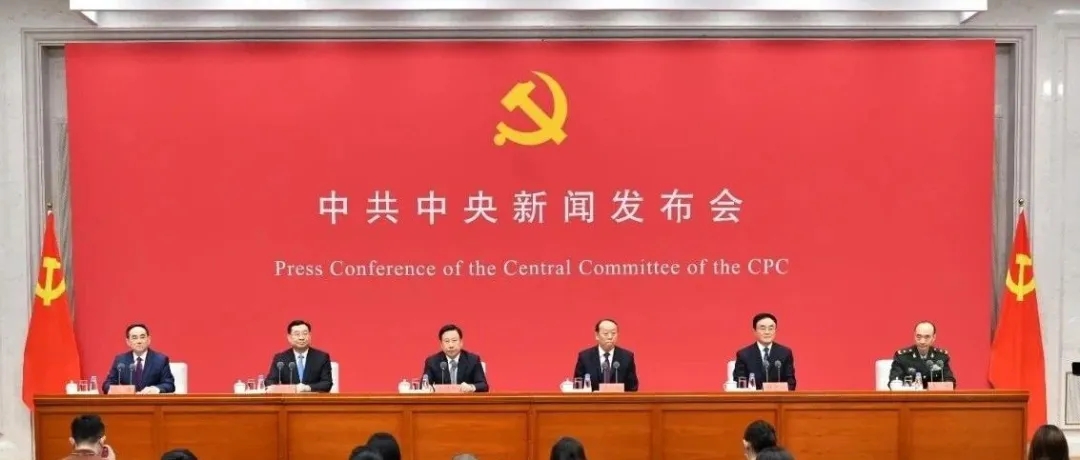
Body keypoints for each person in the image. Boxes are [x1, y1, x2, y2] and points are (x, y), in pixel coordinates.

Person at [102, 323, 176, 394]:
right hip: (128, 402)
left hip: (151, 401)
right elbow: (107, 384)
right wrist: (122, 390)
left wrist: (155, 389)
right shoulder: (120, 360)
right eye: (134, 338)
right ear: (128, 342)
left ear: (149, 339)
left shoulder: (160, 360)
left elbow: (169, 385)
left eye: (142, 337)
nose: (139, 341)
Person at [264, 320, 334, 392]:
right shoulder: (280, 358)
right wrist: (290, 389)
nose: (301, 338)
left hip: (312, 398)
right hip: (288, 398)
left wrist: (307, 388)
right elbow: (269, 382)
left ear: (310, 336)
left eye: (305, 333)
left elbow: (327, 383)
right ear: (289, 337)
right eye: (297, 334)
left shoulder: (321, 357)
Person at [573, 318, 639, 392]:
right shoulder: (585, 357)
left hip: (619, 399)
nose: (610, 337)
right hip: (593, 399)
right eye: (605, 333)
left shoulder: (627, 357)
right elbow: (578, 387)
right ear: (597, 335)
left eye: (613, 333)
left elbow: (632, 388)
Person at [733, 313, 797, 390]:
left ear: (775, 331)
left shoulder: (785, 353)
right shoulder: (744, 355)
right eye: (762, 328)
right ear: (754, 331)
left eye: (771, 328)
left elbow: (791, 382)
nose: (767, 332)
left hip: (778, 397)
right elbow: (740, 382)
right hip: (753, 397)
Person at [888, 321, 956, 388]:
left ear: (934, 337)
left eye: (927, 337)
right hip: (910, 395)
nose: (922, 341)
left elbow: (950, 382)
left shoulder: (941, 357)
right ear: (914, 336)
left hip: (934, 395)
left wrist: (931, 388)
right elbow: (894, 382)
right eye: (918, 336)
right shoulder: (902, 357)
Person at [422, 324, 489, 392]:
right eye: (447, 341)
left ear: (461, 342)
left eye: (454, 340)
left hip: (465, 398)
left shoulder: (473, 360)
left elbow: (483, 385)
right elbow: (424, 385)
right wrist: (429, 388)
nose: (451, 345)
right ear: (441, 345)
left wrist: (471, 387)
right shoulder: (432, 362)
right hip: (442, 398)